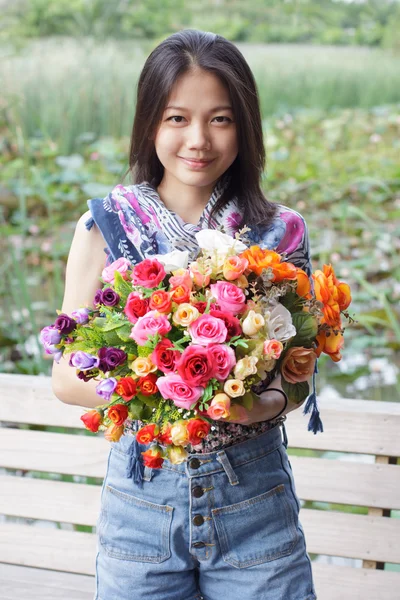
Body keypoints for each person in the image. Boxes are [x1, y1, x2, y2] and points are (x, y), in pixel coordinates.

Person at [52, 29, 318, 600]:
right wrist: (173, 387)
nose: (197, 139)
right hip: (141, 500)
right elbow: (69, 379)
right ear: (150, 123)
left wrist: (260, 404)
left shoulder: (280, 232)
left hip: (256, 502)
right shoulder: (105, 225)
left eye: (220, 119)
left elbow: (296, 378)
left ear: (244, 127)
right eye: (176, 118)